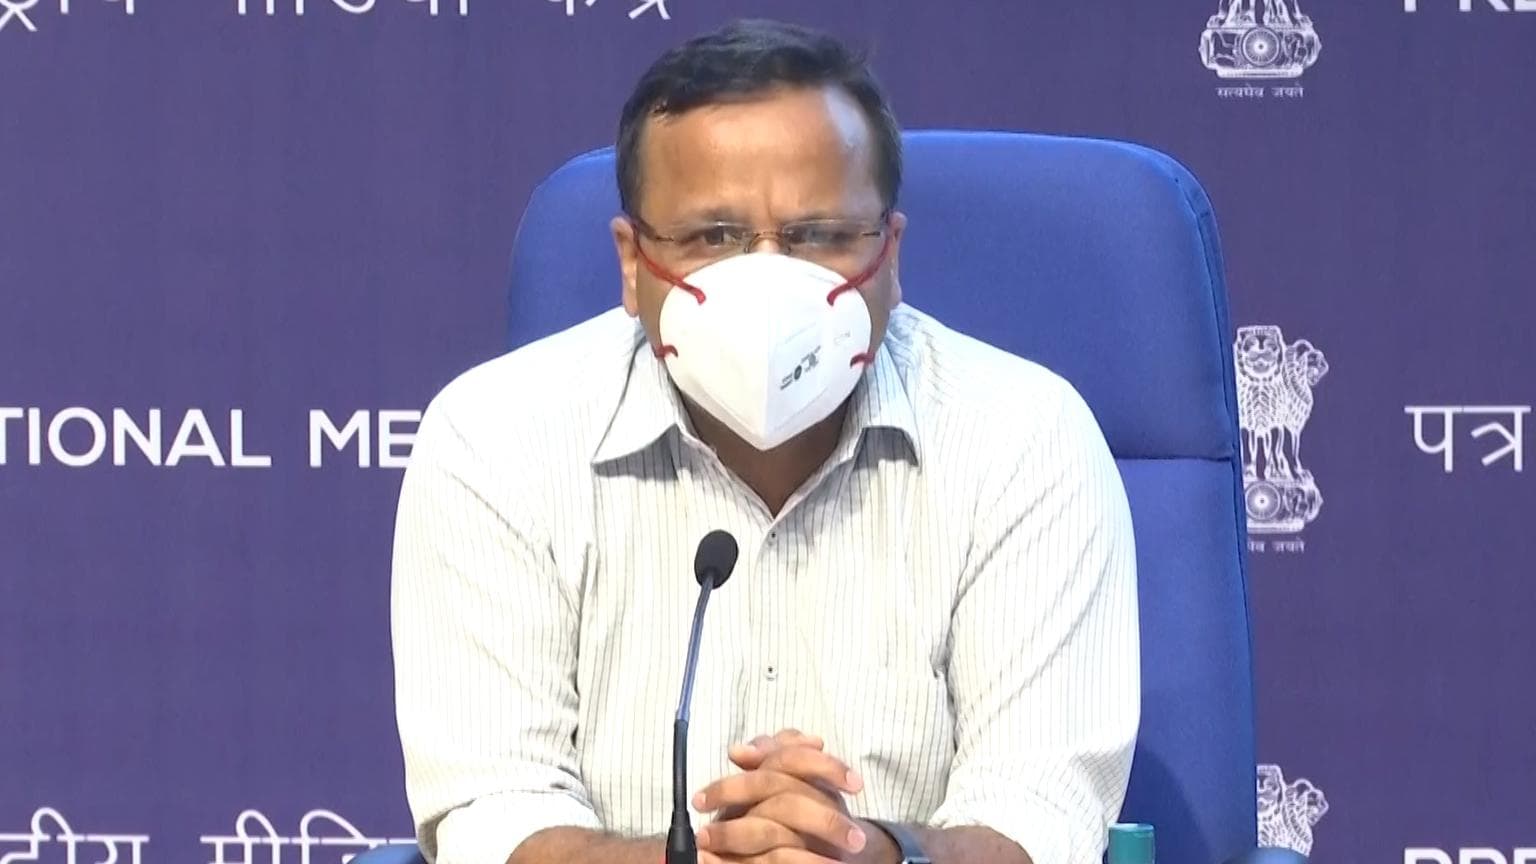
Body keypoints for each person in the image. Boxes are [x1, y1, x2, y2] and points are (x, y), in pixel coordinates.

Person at [392, 18, 1139, 864]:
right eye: (713, 238)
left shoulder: (1024, 435)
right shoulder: (494, 439)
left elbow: (1042, 819)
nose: (769, 283)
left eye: (819, 236)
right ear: (632, 263)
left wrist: (874, 855)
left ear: (890, 254)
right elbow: (496, 815)